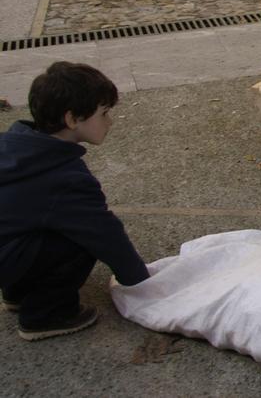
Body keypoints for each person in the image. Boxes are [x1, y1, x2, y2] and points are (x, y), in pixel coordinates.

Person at [0, 62, 149, 341]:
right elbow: (105, 235)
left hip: (7, 249)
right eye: (104, 113)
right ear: (71, 120)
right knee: (79, 240)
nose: (110, 122)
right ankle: (45, 315)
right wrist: (140, 283)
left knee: (34, 227)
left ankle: (17, 292)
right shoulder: (65, 178)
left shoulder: (12, 144)